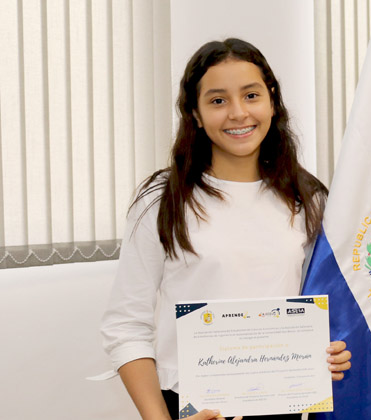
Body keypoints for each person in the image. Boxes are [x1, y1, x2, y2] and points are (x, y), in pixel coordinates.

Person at [100, 38, 351, 420]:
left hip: (285, 408)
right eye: (218, 101)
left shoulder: (309, 199)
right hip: (189, 410)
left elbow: (324, 304)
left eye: (251, 95)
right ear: (196, 115)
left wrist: (331, 349)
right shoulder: (162, 201)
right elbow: (125, 326)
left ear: (272, 102)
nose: (238, 113)